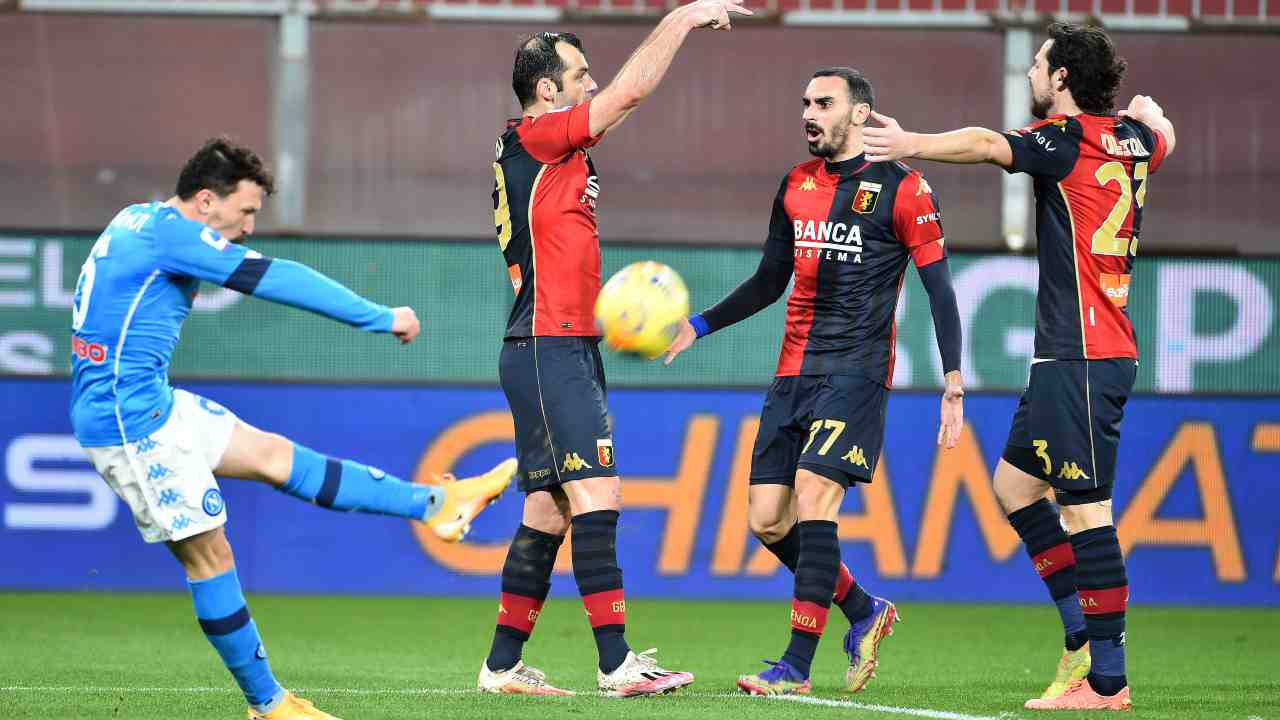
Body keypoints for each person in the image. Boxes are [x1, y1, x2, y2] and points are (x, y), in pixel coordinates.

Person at [69, 136, 514, 720]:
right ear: (205, 200)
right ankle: (267, 705)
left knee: (275, 456)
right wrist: (382, 317)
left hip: (149, 402)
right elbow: (279, 279)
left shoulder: (141, 219)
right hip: (129, 421)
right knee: (210, 557)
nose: (251, 226)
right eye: (246, 211)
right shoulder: (174, 235)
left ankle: (436, 503)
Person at [863, 22, 1175, 712]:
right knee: (1013, 488)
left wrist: (910, 143)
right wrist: (1152, 115)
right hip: (1076, 355)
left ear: (1061, 77)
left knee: (1088, 512)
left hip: (1084, 356)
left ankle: (1108, 682)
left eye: (1037, 63)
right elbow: (1161, 136)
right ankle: (1079, 633)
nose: (1029, 73)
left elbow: (982, 142)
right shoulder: (1134, 139)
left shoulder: (1061, 143)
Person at [479, 0, 751, 698]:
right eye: (580, 73)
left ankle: (502, 667)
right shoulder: (539, 136)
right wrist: (683, 18)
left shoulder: (548, 144)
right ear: (547, 89)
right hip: (549, 342)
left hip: (553, 343)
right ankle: (616, 664)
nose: (593, 84)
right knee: (596, 495)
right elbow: (630, 92)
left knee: (549, 510)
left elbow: (620, 106)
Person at [664, 67, 965, 696]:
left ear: (860, 114)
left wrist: (953, 379)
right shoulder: (795, 185)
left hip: (855, 373)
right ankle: (864, 612)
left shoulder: (905, 189)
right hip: (793, 372)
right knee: (768, 520)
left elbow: (939, 288)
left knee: (814, 494)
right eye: (804, 101)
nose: (809, 112)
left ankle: (795, 668)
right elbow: (771, 279)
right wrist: (701, 323)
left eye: (823, 102)